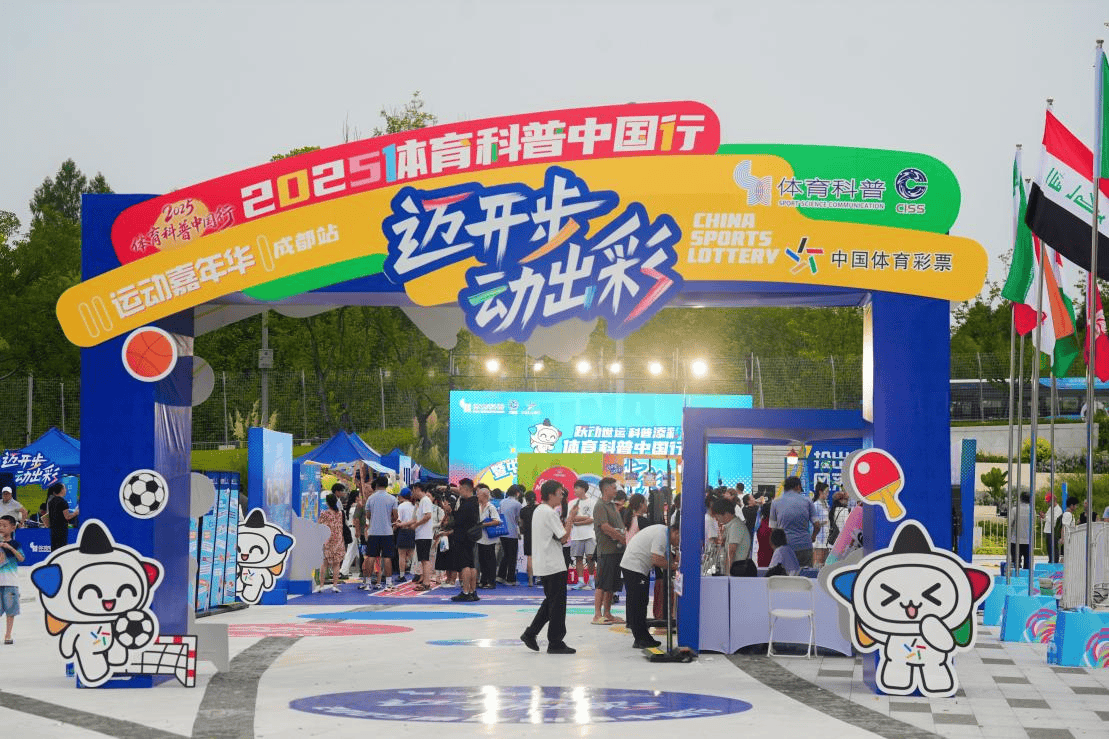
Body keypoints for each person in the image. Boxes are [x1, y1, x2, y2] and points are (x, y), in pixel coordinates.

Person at [520, 480, 576, 654]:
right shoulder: (549, 513)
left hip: (544, 563)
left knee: (551, 602)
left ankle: (531, 633)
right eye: (560, 492)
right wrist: (571, 519)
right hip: (553, 564)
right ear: (551, 494)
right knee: (557, 605)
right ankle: (555, 642)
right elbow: (563, 538)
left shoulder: (539, 510)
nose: (562, 496)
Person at [620, 522, 680, 649]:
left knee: (641, 602)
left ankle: (643, 637)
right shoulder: (662, 535)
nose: (679, 542)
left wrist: (674, 559)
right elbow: (656, 559)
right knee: (638, 603)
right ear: (675, 532)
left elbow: (665, 556)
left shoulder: (663, 533)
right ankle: (640, 639)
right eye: (680, 538)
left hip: (637, 567)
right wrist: (674, 566)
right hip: (634, 567)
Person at [591, 476, 626, 626]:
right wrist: (621, 538)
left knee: (611, 584)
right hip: (606, 551)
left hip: (617, 551)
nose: (616, 490)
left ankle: (607, 613)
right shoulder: (600, 506)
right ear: (606, 489)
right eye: (614, 488)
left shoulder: (612, 505)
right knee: (602, 584)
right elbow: (604, 527)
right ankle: (597, 615)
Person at [769, 476, 821, 567]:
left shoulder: (775, 502)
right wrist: (813, 537)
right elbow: (817, 525)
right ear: (798, 486)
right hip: (804, 545)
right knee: (805, 574)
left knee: (785, 574)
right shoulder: (807, 501)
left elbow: (773, 529)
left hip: (784, 547)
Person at [363, 475, 398, 589]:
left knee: (371, 556)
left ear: (377, 485)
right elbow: (395, 516)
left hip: (373, 531)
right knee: (387, 557)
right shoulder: (392, 499)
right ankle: (388, 583)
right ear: (387, 485)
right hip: (387, 531)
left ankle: (368, 583)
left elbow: (368, 515)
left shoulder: (370, 498)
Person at [450, 478, 481, 601]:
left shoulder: (467, 504)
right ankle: (472, 591)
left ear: (465, 488)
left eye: (460, 488)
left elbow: (458, 521)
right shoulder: (475, 502)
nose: (459, 490)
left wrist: (451, 512)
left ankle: (466, 591)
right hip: (471, 537)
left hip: (463, 537)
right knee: (472, 565)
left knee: (465, 565)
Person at [712, 497, 754, 576]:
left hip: (737, 571)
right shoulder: (731, 525)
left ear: (726, 514)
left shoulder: (736, 526)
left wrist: (728, 575)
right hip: (736, 570)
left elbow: (731, 552)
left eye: (717, 516)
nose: (717, 519)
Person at [568, 480, 596, 589]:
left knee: (590, 557)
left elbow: (593, 519)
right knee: (578, 558)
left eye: (577, 488)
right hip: (576, 535)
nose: (574, 490)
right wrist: (585, 518)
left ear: (583, 489)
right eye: (574, 488)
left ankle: (591, 579)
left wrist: (578, 522)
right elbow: (571, 518)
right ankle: (580, 581)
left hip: (590, 534)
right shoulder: (572, 503)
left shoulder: (592, 502)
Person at [0, 514, 24, 644]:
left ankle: (8, 634)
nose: (1, 528)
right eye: (0, 525)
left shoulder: (15, 544)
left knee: (10, 610)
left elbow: (21, 558)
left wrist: (10, 548)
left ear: (13, 527)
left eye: (5, 526)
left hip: (10, 582)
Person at [317, 493, 345, 593]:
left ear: (327, 503)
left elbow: (319, 524)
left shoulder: (324, 514)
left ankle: (321, 586)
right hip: (338, 539)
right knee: (336, 563)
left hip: (327, 539)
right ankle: (335, 585)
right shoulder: (340, 513)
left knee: (324, 563)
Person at [475, 485, 502, 589]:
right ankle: (483, 580)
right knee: (482, 561)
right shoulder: (478, 507)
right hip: (480, 538)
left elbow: (497, 521)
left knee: (490, 561)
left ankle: (491, 581)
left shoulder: (491, 507)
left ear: (485, 495)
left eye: (479, 495)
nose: (477, 496)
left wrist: (485, 524)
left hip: (490, 539)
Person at [497, 484, 523, 586]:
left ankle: (500, 576)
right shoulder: (517, 504)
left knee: (505, 555)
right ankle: (510, 579)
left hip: (502, 531)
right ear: (517, 493)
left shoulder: (502, 502)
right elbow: (518, 518)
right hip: (512, 532)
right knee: (512, 556)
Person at [410, 483, 435, 590]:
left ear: (417, 489)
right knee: (423, 560)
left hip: (424, 534)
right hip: (422, 534)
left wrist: (416, 525)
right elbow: (418, 518)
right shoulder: (422, 501)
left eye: (413, 490)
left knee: (425, 560)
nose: (413, 493)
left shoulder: (425, 500)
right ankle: (425, 581)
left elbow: (428, 516)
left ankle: (426, 583)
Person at [395, 488, 417, 583]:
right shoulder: (414, 505)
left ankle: (401, 575)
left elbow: (398, 519)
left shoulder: (401, 506)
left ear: (402, 496)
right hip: (413, 531)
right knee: (413, 554)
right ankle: (417, 574)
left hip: (403, 531)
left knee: (402, 555)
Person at [46, 482, 76, 551]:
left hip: (53, 530)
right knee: (61, 549)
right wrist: (75, 513)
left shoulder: (51, 502)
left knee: (54, 549)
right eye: (65, 488)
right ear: (62, 490)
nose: (66, 490)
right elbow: (67, 516)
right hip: (61, 530)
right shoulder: (63, 502)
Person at [1009, 492, 1031, 571]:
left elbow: (1010, 523)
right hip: (1028, 540)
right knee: (1027, 563)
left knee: (1016, 563)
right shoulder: (1032, 510)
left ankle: (1017, 576)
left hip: (1016, 540)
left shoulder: (1015, 509)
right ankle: (1026, 577)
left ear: (1020, 499)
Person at [520, 491, 538, 586]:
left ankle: (530, 580)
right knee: (540, 557)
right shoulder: (539, 508)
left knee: (529, 557)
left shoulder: (523, 510)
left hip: (527, 535)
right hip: (538, 535)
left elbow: (521, 525)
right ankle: (540, 578)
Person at [811, 482, 831, 567]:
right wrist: (824, 522)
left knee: (823, 563)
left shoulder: (826, 504)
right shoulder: (815, 505)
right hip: (819, 538)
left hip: (826, 537)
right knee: (817, 563)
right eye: (826, 492)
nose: (828, 494)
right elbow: (812, 522)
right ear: (820, 492)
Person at [1041, 494, 1063, 563]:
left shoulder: (1058, 510)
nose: (1047, 503)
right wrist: (1043, 517)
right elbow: (1048, 519)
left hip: (1053, 531)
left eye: (1048, 501)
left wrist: (1045, 517)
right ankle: (1051, 560)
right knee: (1049, 549)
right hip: (1048, 531)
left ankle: (1055, 562)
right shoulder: (1050, 508)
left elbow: (1054, 520)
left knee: (1053, 549)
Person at [1060, 496, 1079, 560]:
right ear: (1071, 505)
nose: (1076, 507)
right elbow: (1064, 526)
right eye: (1075, 505)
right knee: (1065, 557)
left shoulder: (1068, 514)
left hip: (1068, 539)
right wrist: (1063, 538)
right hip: (1067, 539)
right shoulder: (1068, 514)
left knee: (1066, 557)